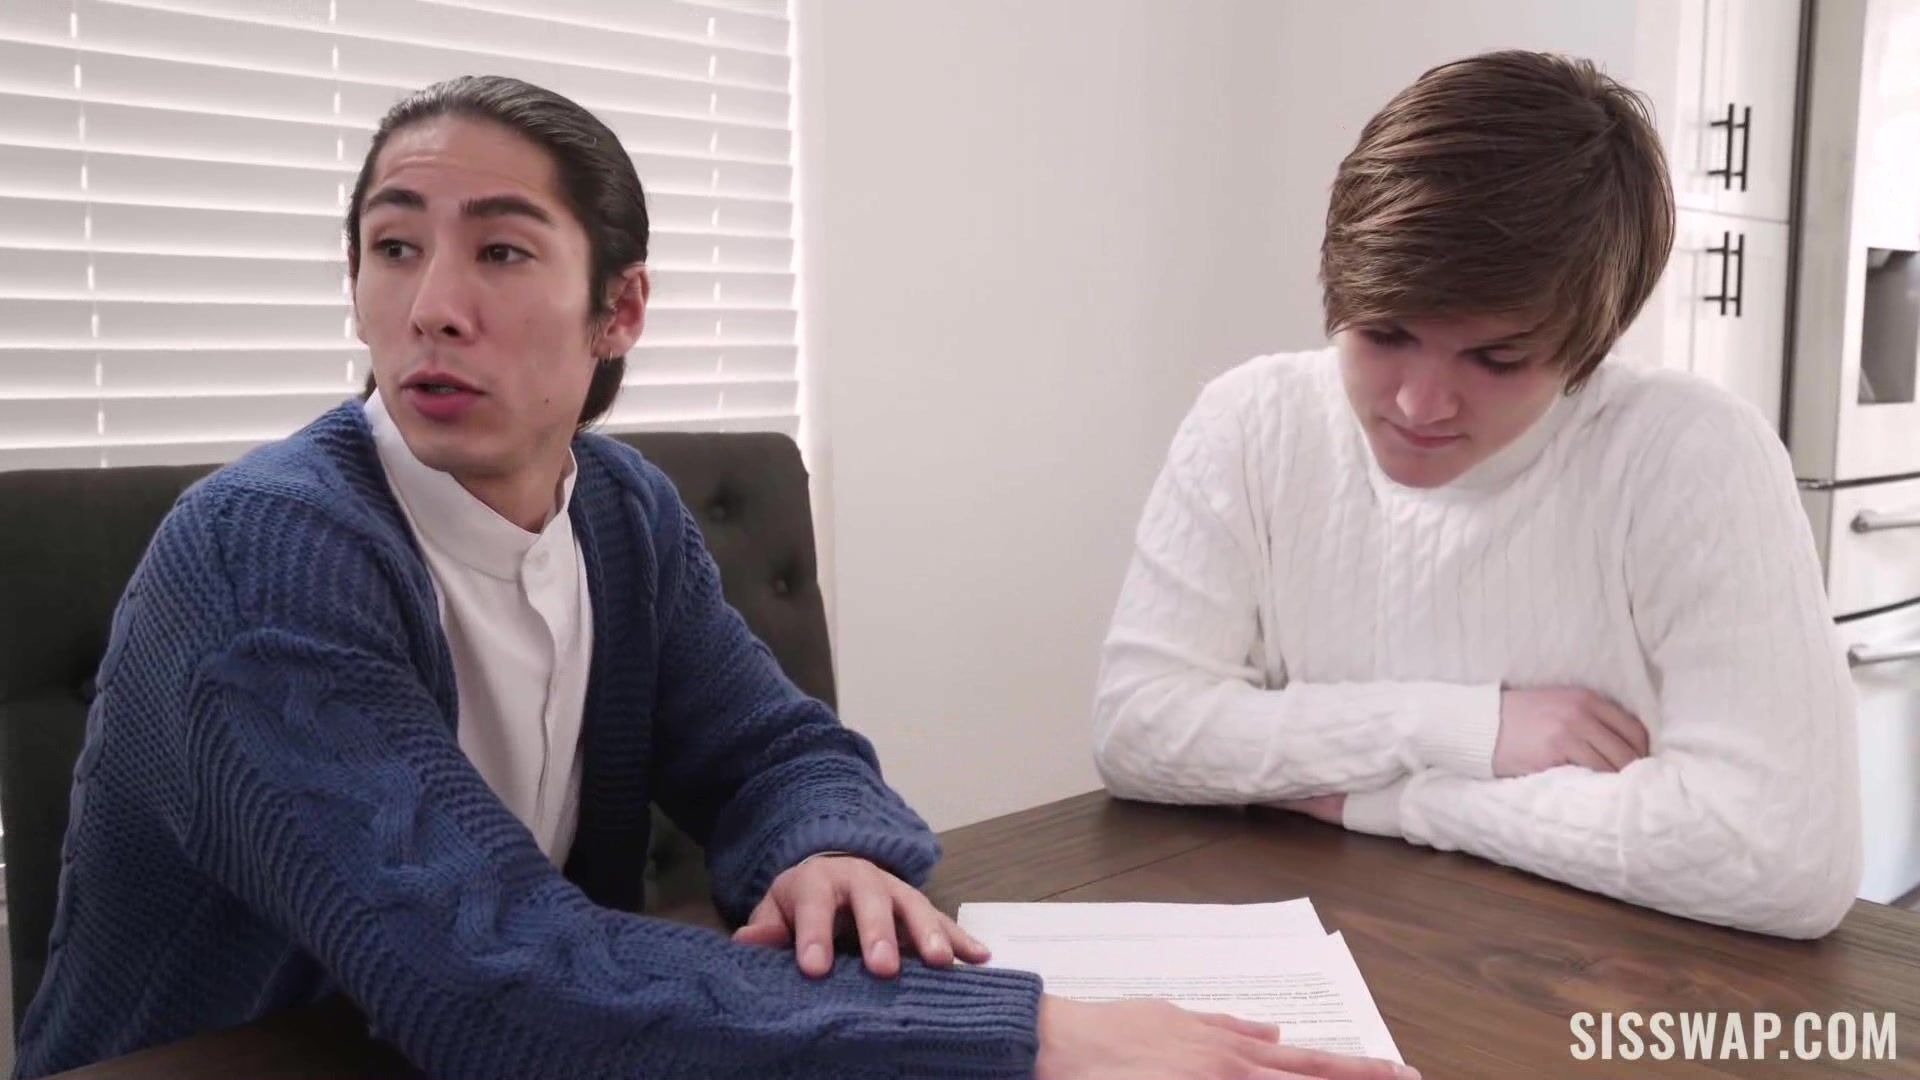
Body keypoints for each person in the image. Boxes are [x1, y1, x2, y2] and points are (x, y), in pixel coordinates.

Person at [14, 75, 1415, 1080]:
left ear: (619, 307)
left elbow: (775, 751)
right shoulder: (261, 554)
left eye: (500, 249)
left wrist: (825, 845)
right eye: (394, 248)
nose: (431, 304)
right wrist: (1035, 1033)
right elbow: (482, 970)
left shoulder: (621, 511)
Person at [1091, 50, 1863, 940]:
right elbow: (1140, 729)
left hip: (1601, 980)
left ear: (1590, 346)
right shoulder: (1251, 420)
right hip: (1322, 949)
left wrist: (1390, 804)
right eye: (1384, 334)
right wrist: (1465, 728)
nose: (1419, 404)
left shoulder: (1690, 454)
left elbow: (1783, 858)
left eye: (1495, 359)